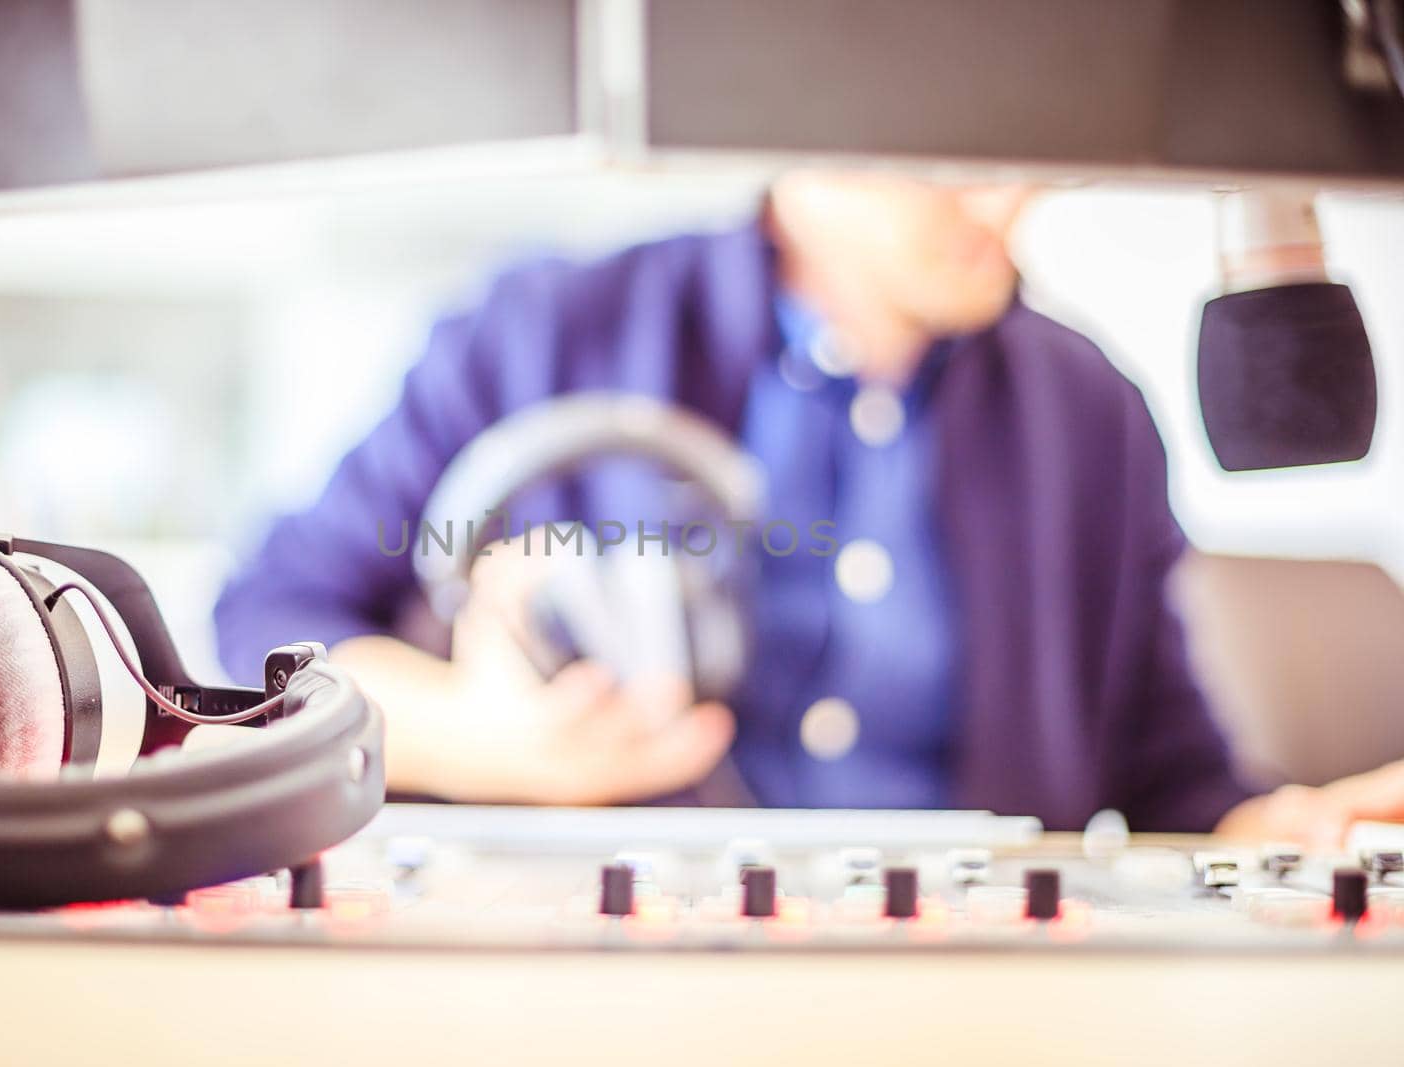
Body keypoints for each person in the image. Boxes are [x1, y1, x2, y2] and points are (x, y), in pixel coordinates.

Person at [214, 170, 1404, 842]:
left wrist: (1276, 831)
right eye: (952, 153)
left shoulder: (1091, 406)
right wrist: (482, 740)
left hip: (977, 998)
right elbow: (266, 625)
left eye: (1024, 149)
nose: (1007, 203)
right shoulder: (539, 330)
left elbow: (1166, 769)